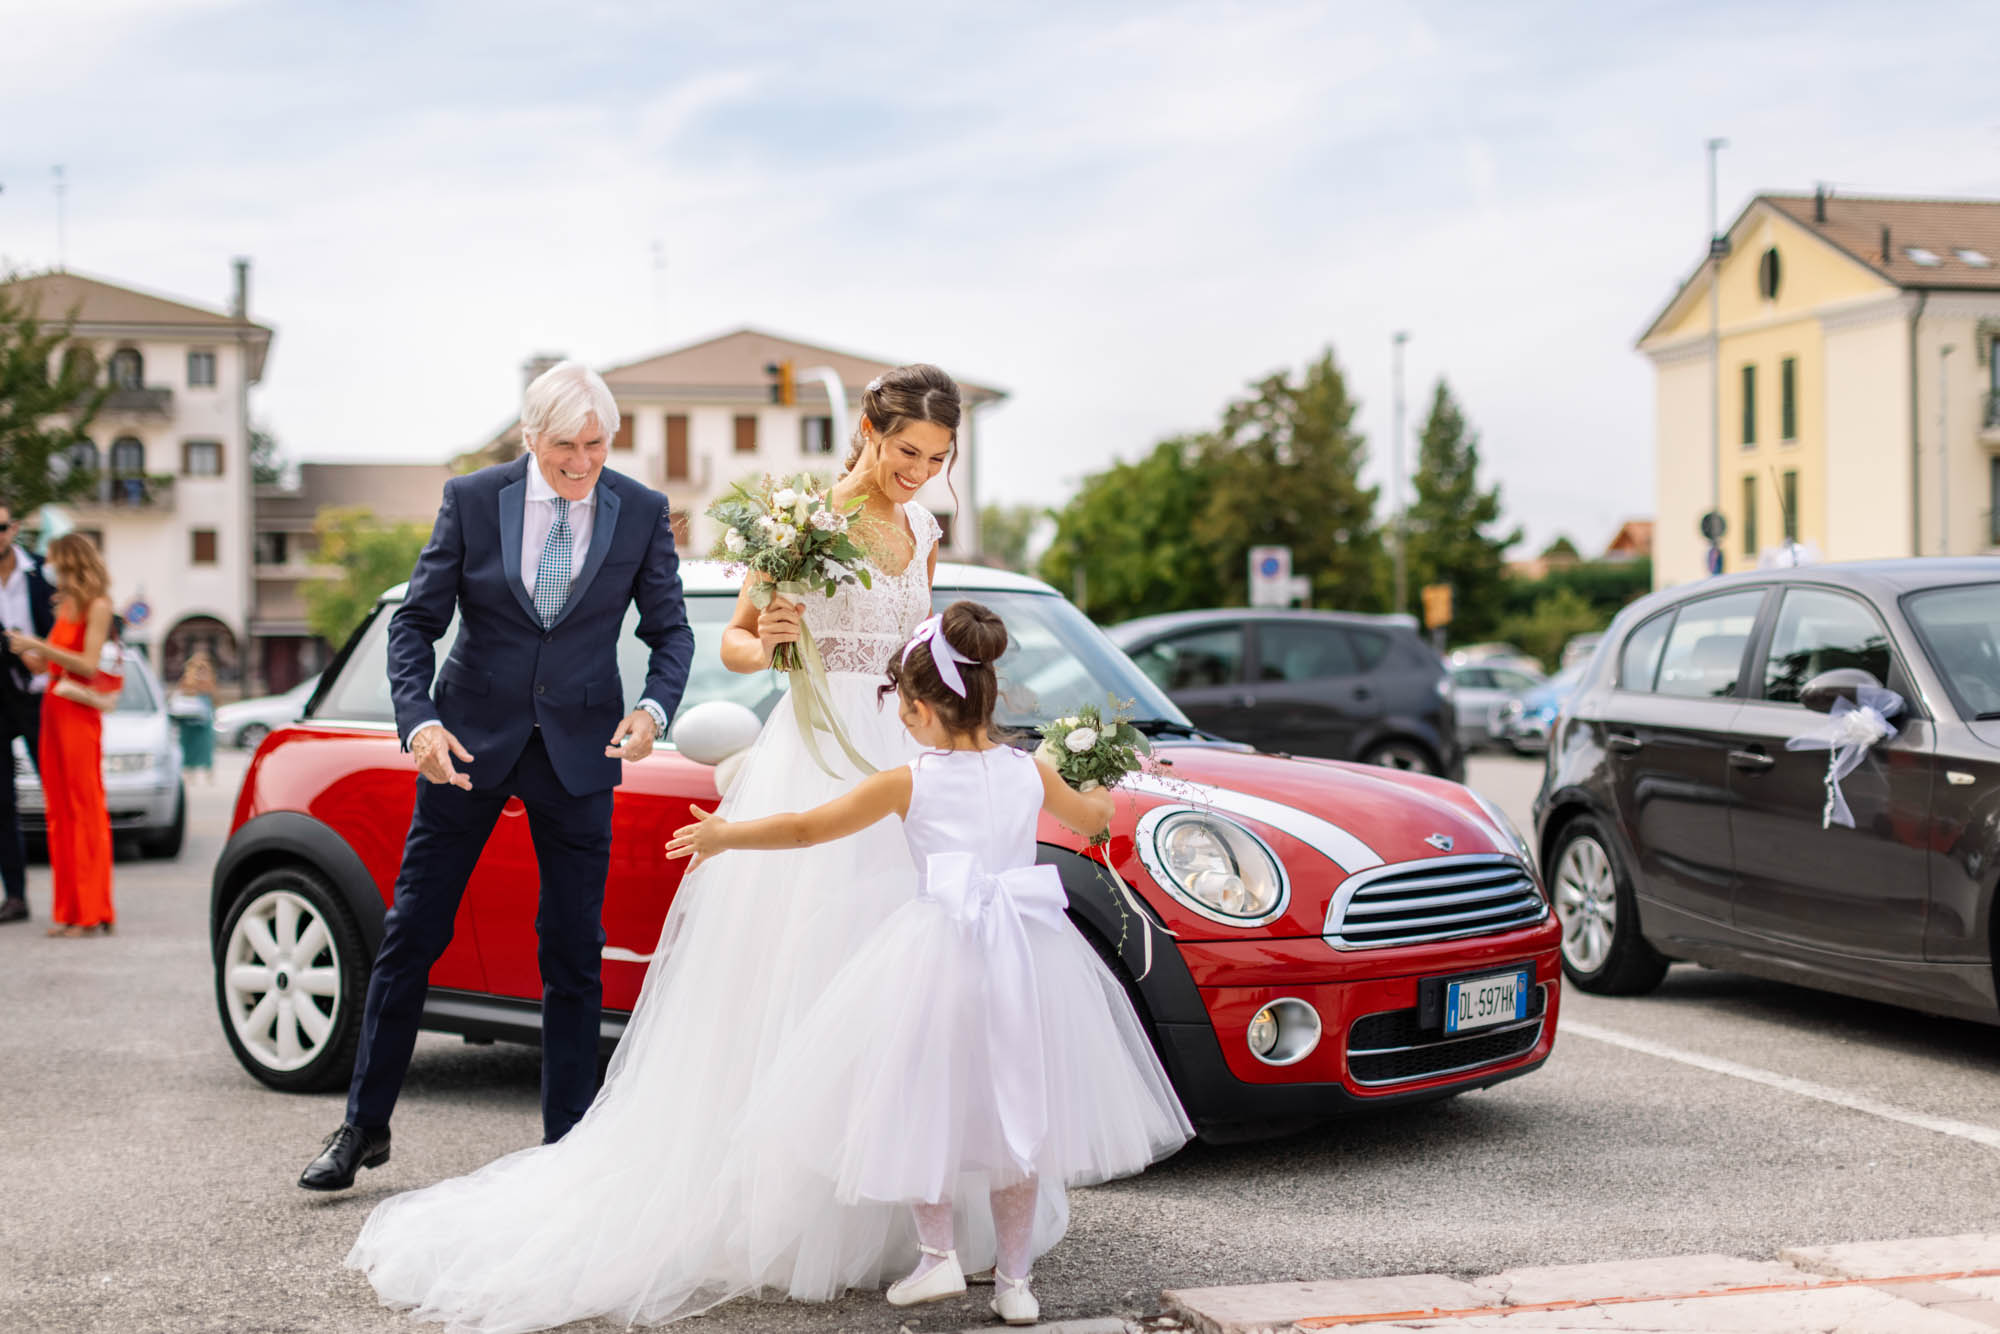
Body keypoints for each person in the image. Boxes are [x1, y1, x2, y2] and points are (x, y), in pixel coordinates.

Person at [346, 364, 965, 1331]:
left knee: (884, 976)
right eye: (907, 453)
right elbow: (739, 642)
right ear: (873, 436)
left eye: (938, 459)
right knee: (416, 932)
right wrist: (780, 642)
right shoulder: (797, 519)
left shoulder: (918, 526)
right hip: (536, 746)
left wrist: (968, 730)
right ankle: (362, 1127)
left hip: (886, 757)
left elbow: (706, 634)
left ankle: (895, 1212)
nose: (920, 473)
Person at [665, 602, 1192, 1325]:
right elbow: (1093, 820)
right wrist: (1097, 784)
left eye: (902, 707)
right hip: (1026, 952)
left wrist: (727, 835)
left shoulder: (905, 780)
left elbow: (805, 829)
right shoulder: (1029, 771)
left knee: (924, 1099)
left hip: (937, 951)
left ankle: (938, 1257)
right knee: (1018, 1111)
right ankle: (1014, 1284)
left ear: (918, 708)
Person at [297, 360, 695, 1191]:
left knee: (572, 954)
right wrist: (421, 724)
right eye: (564, 447)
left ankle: (569, 1153)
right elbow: (415, 626)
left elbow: (672, 633)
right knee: (413, 937)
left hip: (581, 755)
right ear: (528, 437)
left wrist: (654, 711)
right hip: (465, 747)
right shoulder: (473, 501)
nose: (582, 462)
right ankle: (362, 1128)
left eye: (596, 444)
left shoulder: (642, 513)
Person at [5, 535, 116, 938]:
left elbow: (87, 665)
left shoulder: (98, 605)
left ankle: (93, 911)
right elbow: (46, 665)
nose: (47, 568)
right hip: (52, 704)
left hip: (77, 711)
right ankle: (70, 910)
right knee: (59, 812)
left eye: (53, 561)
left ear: (71, 562)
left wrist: (39, 645)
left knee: (85, 807)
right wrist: (27, 651)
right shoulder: (64, 605)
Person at [0, 503, 55, 925]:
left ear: (14, 529)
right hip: (1, 701)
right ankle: (15, 897)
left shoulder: (45, 573)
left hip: (43, 700)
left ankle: (75, 898)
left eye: (0, 528)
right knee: (3, 805)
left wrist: (43, 653)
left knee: (59, 796)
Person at [170, 651, 217, 781]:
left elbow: (212, 693)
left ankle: (206, 772)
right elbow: (184, 689)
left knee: (204, 745)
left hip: (203, 715)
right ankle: (190, 772)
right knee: (189, 744)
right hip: (189, 714)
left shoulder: (208, 678)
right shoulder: (188, 677)